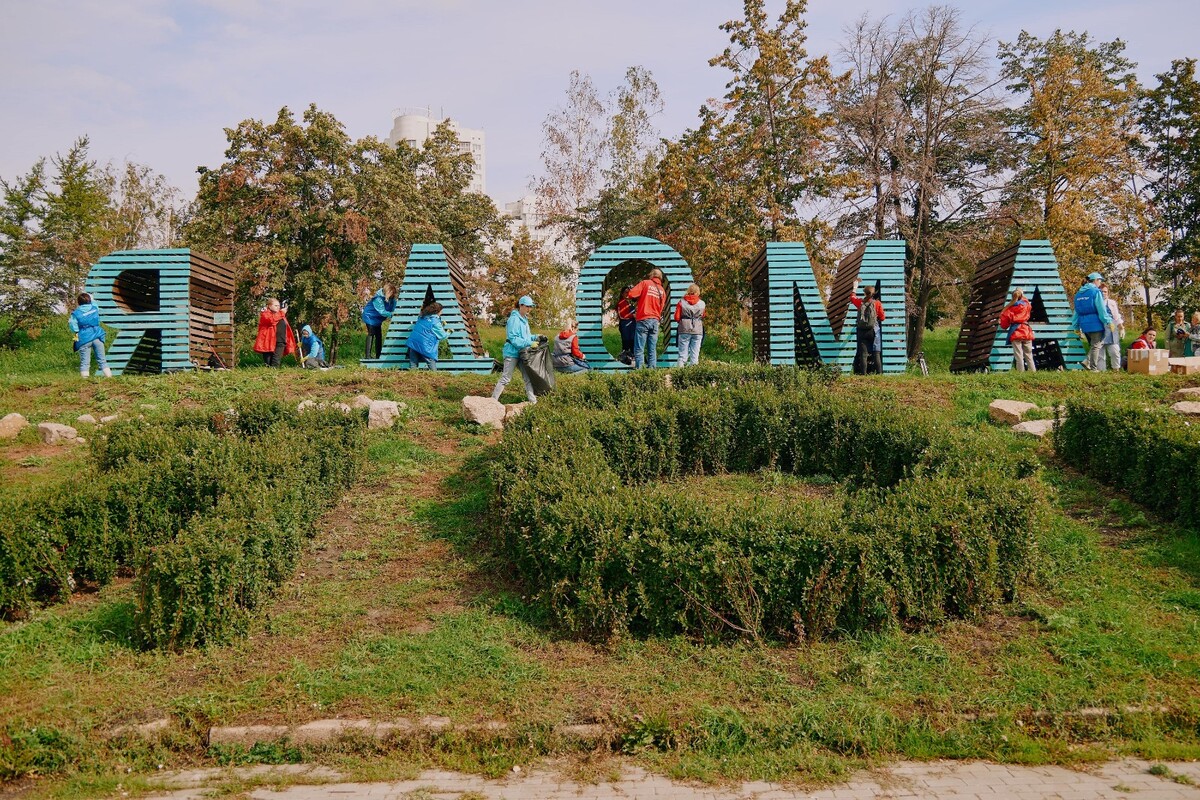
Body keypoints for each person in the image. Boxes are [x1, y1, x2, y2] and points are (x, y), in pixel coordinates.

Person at [491, 295, 542, 403]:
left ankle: (534, 403)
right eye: (527, 306)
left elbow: (526, 337)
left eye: (531, 307)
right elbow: (513, 338)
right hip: (512, 353)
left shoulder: (524, 320)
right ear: (521, 305)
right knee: (506, 379)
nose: (529, 309)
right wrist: (529, 342)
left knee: (528, 378)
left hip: (522, 353)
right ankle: (492, 402)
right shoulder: (514, 319)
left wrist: (536, 336)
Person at [1071, 272, 1114, 370]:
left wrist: (1076, 326)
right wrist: (1108, 321)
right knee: (1096, 346)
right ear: (1095, 280)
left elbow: (1076, 312)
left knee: (1094, 344)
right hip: (1095, 323)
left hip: (1084, 324)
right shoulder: (1095, 292)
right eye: (1099, 280)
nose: (1100, 282)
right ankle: (1093, 368)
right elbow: (1101, 308)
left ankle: (1087, 361)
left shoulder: (1078, 294)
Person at [627, 268, 668, 368]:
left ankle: (640, 371)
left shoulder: (645, 283)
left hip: (644, 319)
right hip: (655, 321)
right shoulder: (662, 291)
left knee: (639, 348)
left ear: (651, 275)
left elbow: (631, 294)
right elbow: (661, 307)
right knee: (652, 349)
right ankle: (652, 372)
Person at [69, 292, 111, 378]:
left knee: (85, 362)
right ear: (89, 300)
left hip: (84, 338)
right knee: (102, 360)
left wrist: (77, 332)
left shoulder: (76, 313)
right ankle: (109, 378)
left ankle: (85, 382)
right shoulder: (95, 307)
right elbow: (94, 301)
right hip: (97, 335)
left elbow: (72, 325)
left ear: (78, 302)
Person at [850, 283, 885, 375]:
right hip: (873, 331)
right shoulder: (877, 303)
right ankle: (879, 374)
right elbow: (882, 317)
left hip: (862, 331)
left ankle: (863, 374)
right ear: (873, 294)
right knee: (876, 353)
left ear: (865, 293)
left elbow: (852, 298)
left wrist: (854, 287)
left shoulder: (860, 302)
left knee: (863, 354)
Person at [999, 288, 1036, 372]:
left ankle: (1020, 373)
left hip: (1016, 332)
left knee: (1019, 355)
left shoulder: (1009, 309)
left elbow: (1004, 325)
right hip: (1026, 331)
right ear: (1022, 296)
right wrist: (1021, 293)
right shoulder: (1027, 305)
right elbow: (1026, 300)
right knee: (1029, 355)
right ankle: (1033, 372)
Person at [405, 301, 449, 370]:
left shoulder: (422, 317)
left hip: (413, 344)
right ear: (438, 311)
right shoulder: (435, 322)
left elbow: (427, 329)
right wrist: (449, 332)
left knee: (413, 366)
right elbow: (442, 336)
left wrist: (441, 325)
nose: (442, 312)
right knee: (432, 366)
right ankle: (435, 379)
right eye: (441, 311)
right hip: (425, 346)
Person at [254, 298, 296, 367]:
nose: (278, 307)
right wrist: (282, 313)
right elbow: (271, 320)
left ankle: (274, 373)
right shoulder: (265, 314)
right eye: (275, 305)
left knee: (276, 359)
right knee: (268, 360)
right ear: (269, 306)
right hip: (268, 340)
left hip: (281, 340)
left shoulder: (280, 315)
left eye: (278, 306)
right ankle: (269, 374)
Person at [361, 283, 398, 360]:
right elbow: (382, 311)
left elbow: (394, 308)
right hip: (370, 316)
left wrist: (395, 313)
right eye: (392, 293)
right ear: (388, 292)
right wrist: (392, 314)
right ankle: (367, 356)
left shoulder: (392, 299)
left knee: (379, 336)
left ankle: (378, 356)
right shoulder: (378, 298)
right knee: (371, 333)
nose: (393, 295)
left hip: (378, 319)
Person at [674, 283, 705, 367]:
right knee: (695, 355)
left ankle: (679, 373)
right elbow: (703, 315)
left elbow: (676, 317)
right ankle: (693, 375)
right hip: (698, 329)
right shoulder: (702, 303)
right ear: (698, 292)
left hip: (684, 328)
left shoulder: (681, 302)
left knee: (682, 354)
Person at [1100, 285, 1125, 370]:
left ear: (1108, 293)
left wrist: (1121, 327)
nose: (1103, 293)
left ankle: (1116, 369)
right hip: (1099, 328)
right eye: (1101, 291)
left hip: (1111, 328)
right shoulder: (1094, 302)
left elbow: (1116, 316)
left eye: (1105, 291)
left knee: (1115, 351)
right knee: (1100, 353)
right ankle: (1101, 372)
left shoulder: (1111, 302)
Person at [616, 285, 636, 364]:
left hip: (631, 326)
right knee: (626, 343)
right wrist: (633, 315)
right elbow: (622, 315)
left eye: (629, 292)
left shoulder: (629, 303)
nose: (628, 294)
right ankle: (624, 361)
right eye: (626, 292)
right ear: (622, 293)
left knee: (632, 343)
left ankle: (632, 360)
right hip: (625, 326)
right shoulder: (621, 303)